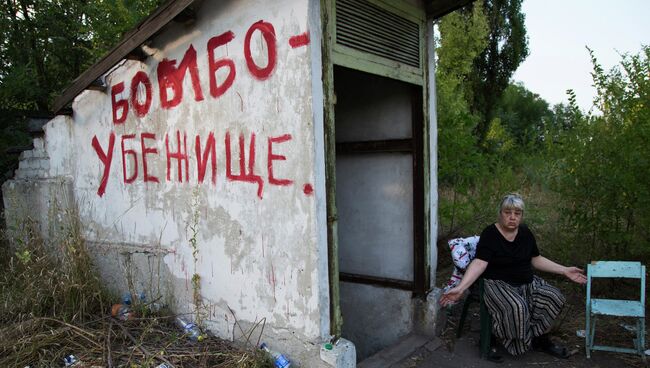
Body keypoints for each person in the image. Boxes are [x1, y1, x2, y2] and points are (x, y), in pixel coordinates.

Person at [439, 193, 587, 361]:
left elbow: (536, 259)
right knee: (517, 308)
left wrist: (565, 270)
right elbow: (479, 263)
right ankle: (491, 338)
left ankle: (540, 339)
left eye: (517, 213)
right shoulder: (490, 234)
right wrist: (461, 287)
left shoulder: (525, 233)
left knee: (554, 297)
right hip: (497, 284)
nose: (512, 217)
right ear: (500, 213)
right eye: (507, 212)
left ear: (521, 216)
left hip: (527, 282)